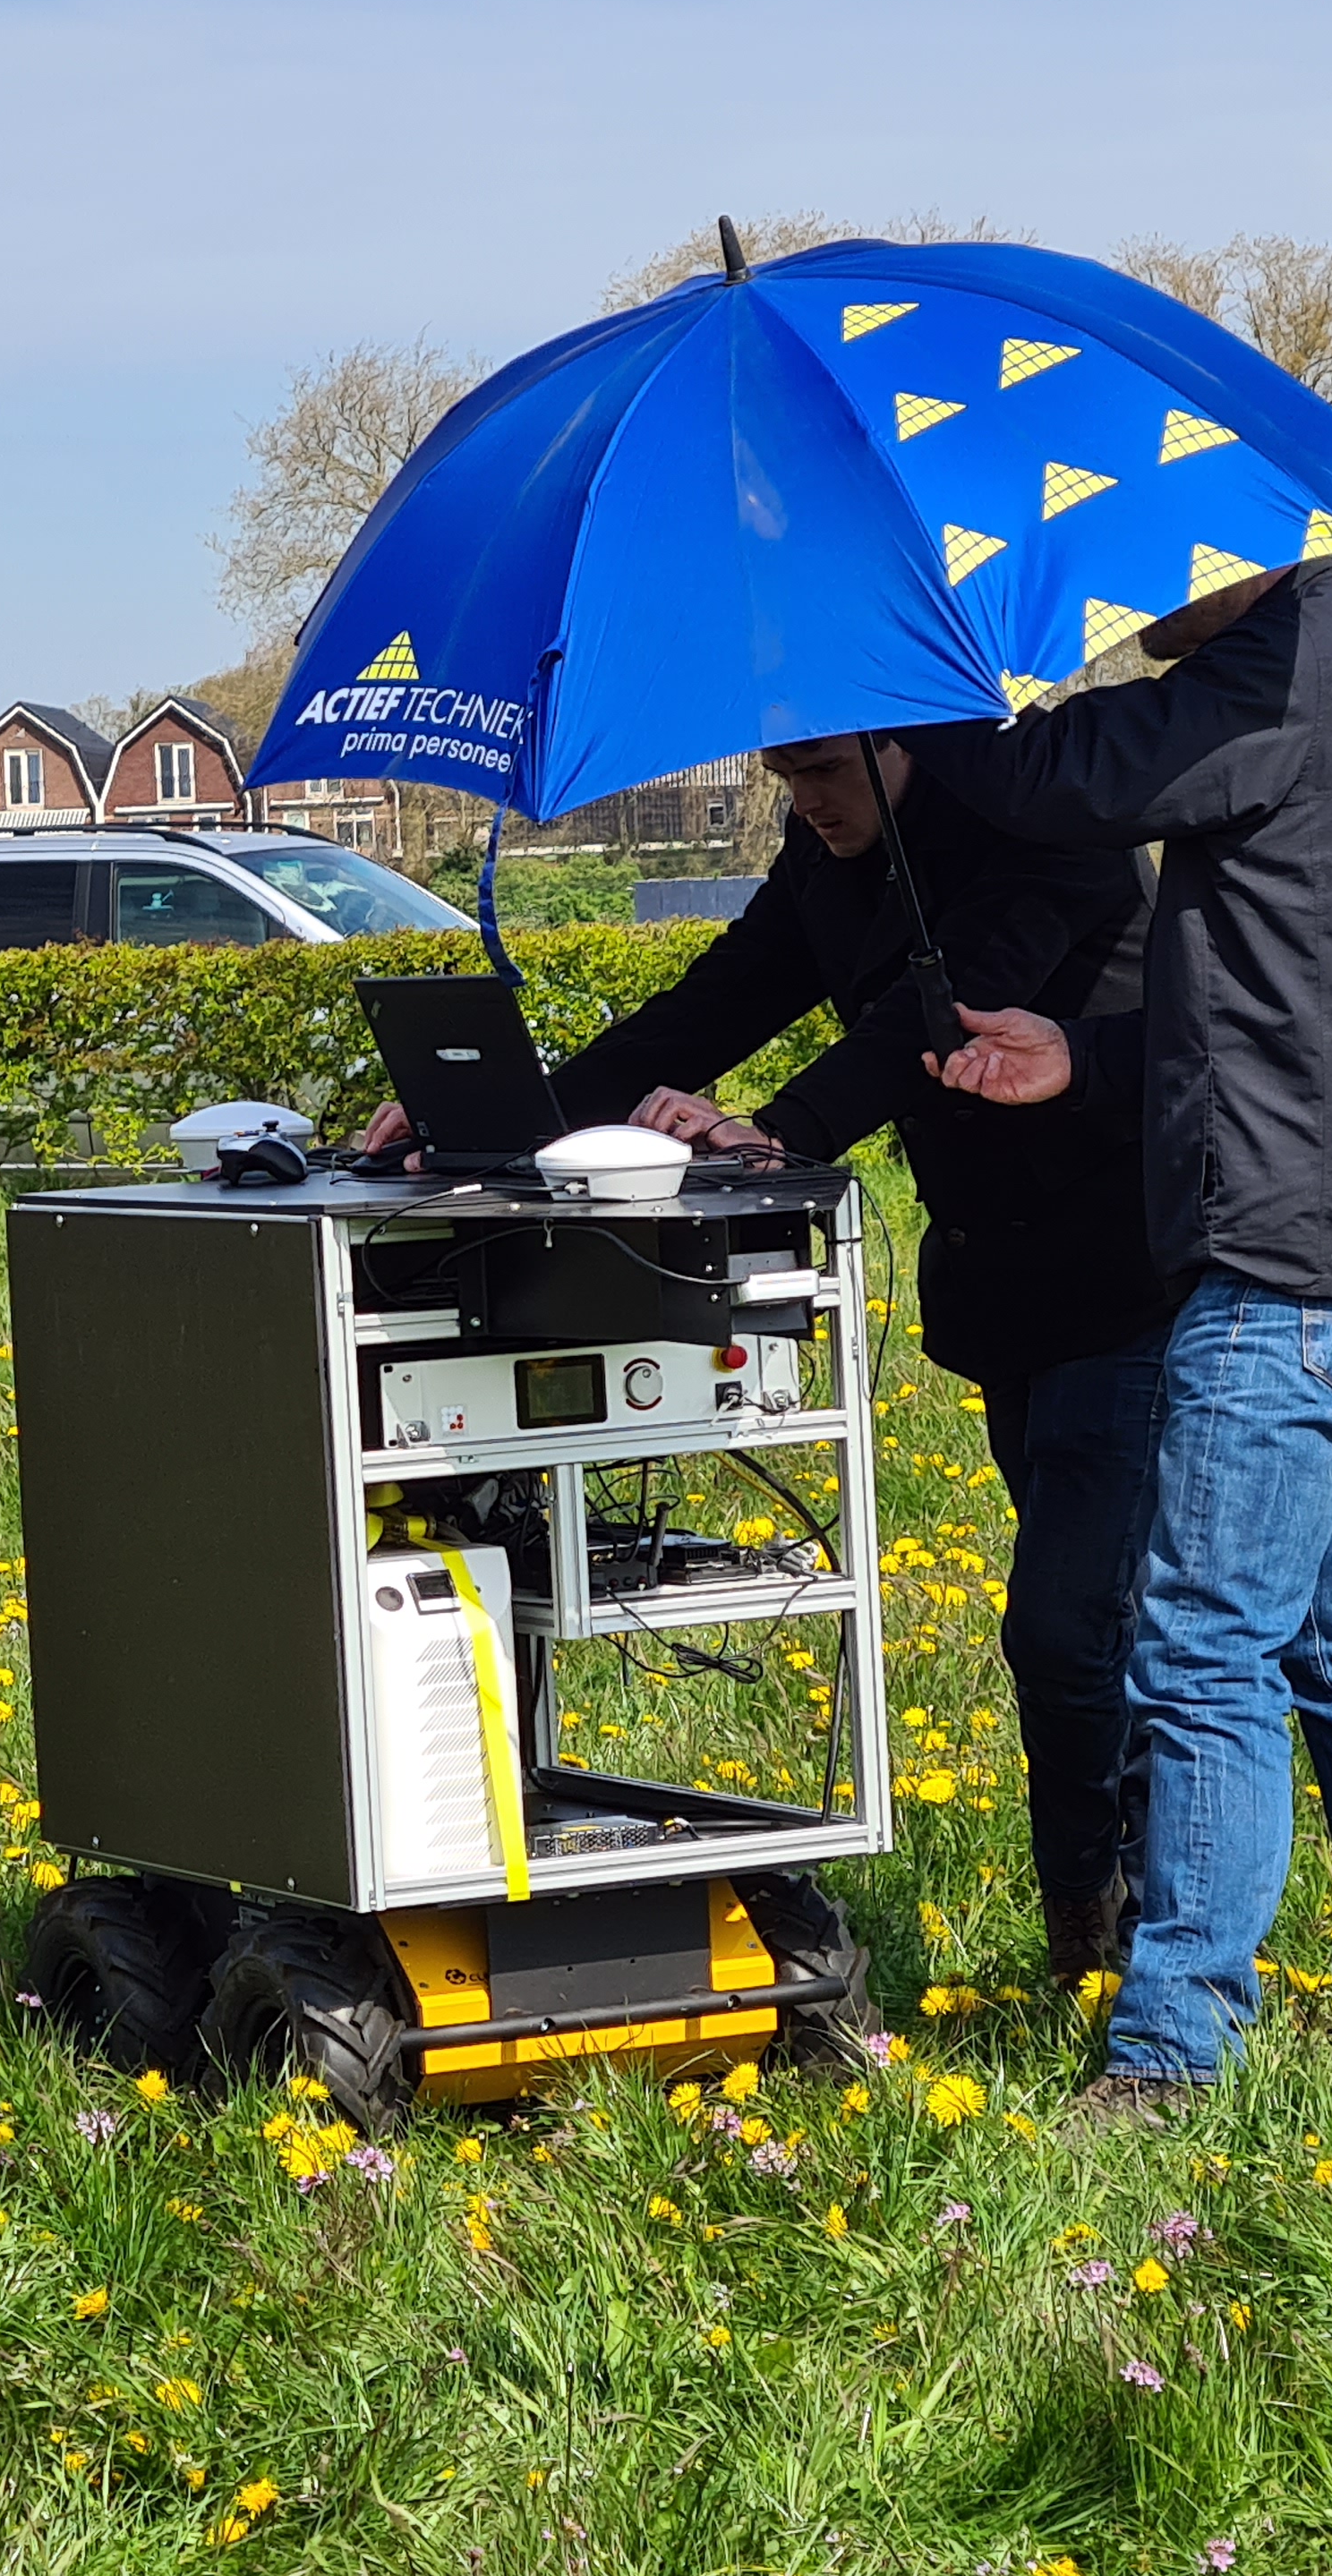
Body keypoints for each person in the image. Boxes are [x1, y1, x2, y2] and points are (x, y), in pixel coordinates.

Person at [367, 737, 1174, 1985]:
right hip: (1009, 1290)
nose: (806, 805)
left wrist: (781, 1129)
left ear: (895, 740)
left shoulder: (1042, 826)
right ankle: (1112, 1915)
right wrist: (520, 1120)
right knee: (1093, 1627)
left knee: (1077, 1629)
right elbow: (723, 998)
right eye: (785, 781)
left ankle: (1119, 1929)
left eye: (823, 776)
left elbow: (941, 1007)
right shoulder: (828, 848)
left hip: (1131, 1276)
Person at [914, 548, 1332, 2111]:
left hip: (1279, 1256)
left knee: (1200, 1656)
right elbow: (1306, 980)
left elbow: (1055, 774)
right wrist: (1082, 1062)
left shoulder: (1279, 666)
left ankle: (1174, 2052)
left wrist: (919, 665)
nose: (1128, 622)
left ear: (1222, 550)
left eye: (1139, 584)